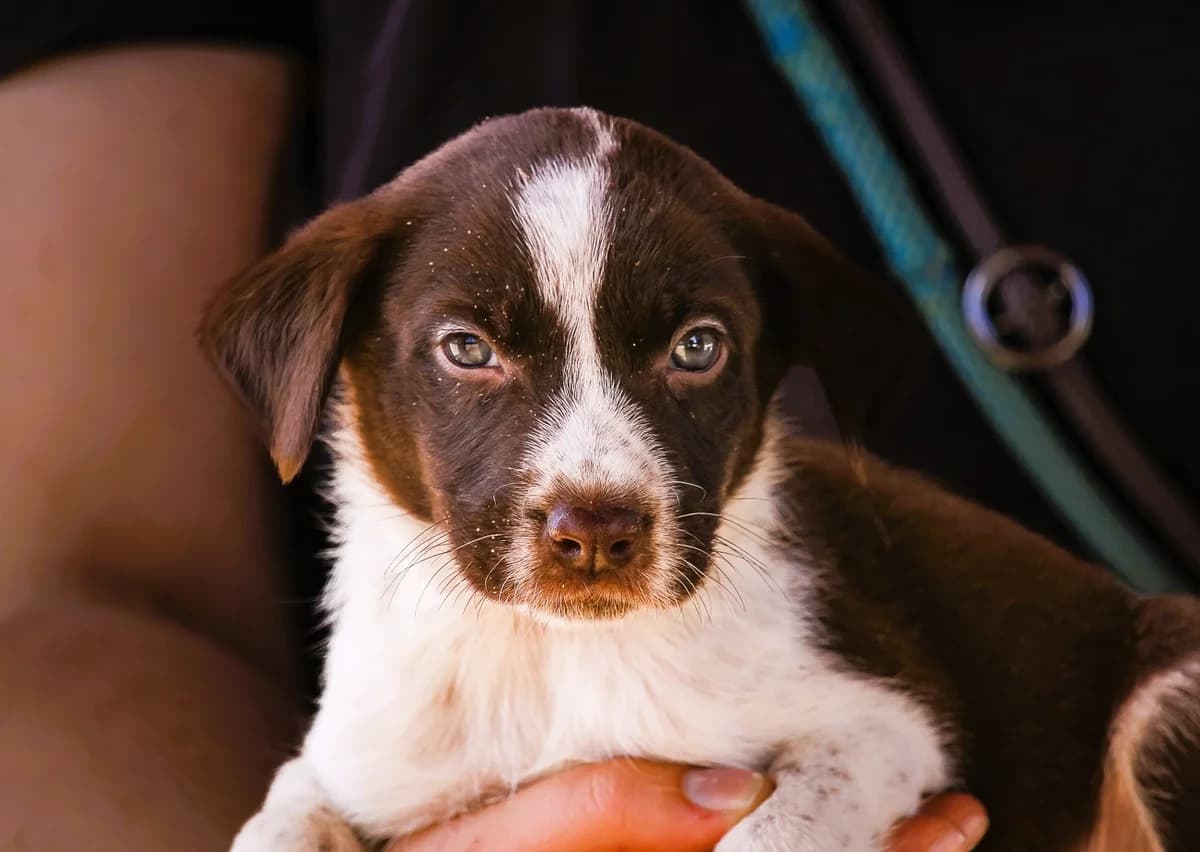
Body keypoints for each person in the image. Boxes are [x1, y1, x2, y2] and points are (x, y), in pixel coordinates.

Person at [3, 2, 1195, 849]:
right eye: (470, 352)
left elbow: (878, 737)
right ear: (326, 362)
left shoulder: (754, 630)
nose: (591, 491)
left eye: (693, 351)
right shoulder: (384, 693)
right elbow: (73, 601)